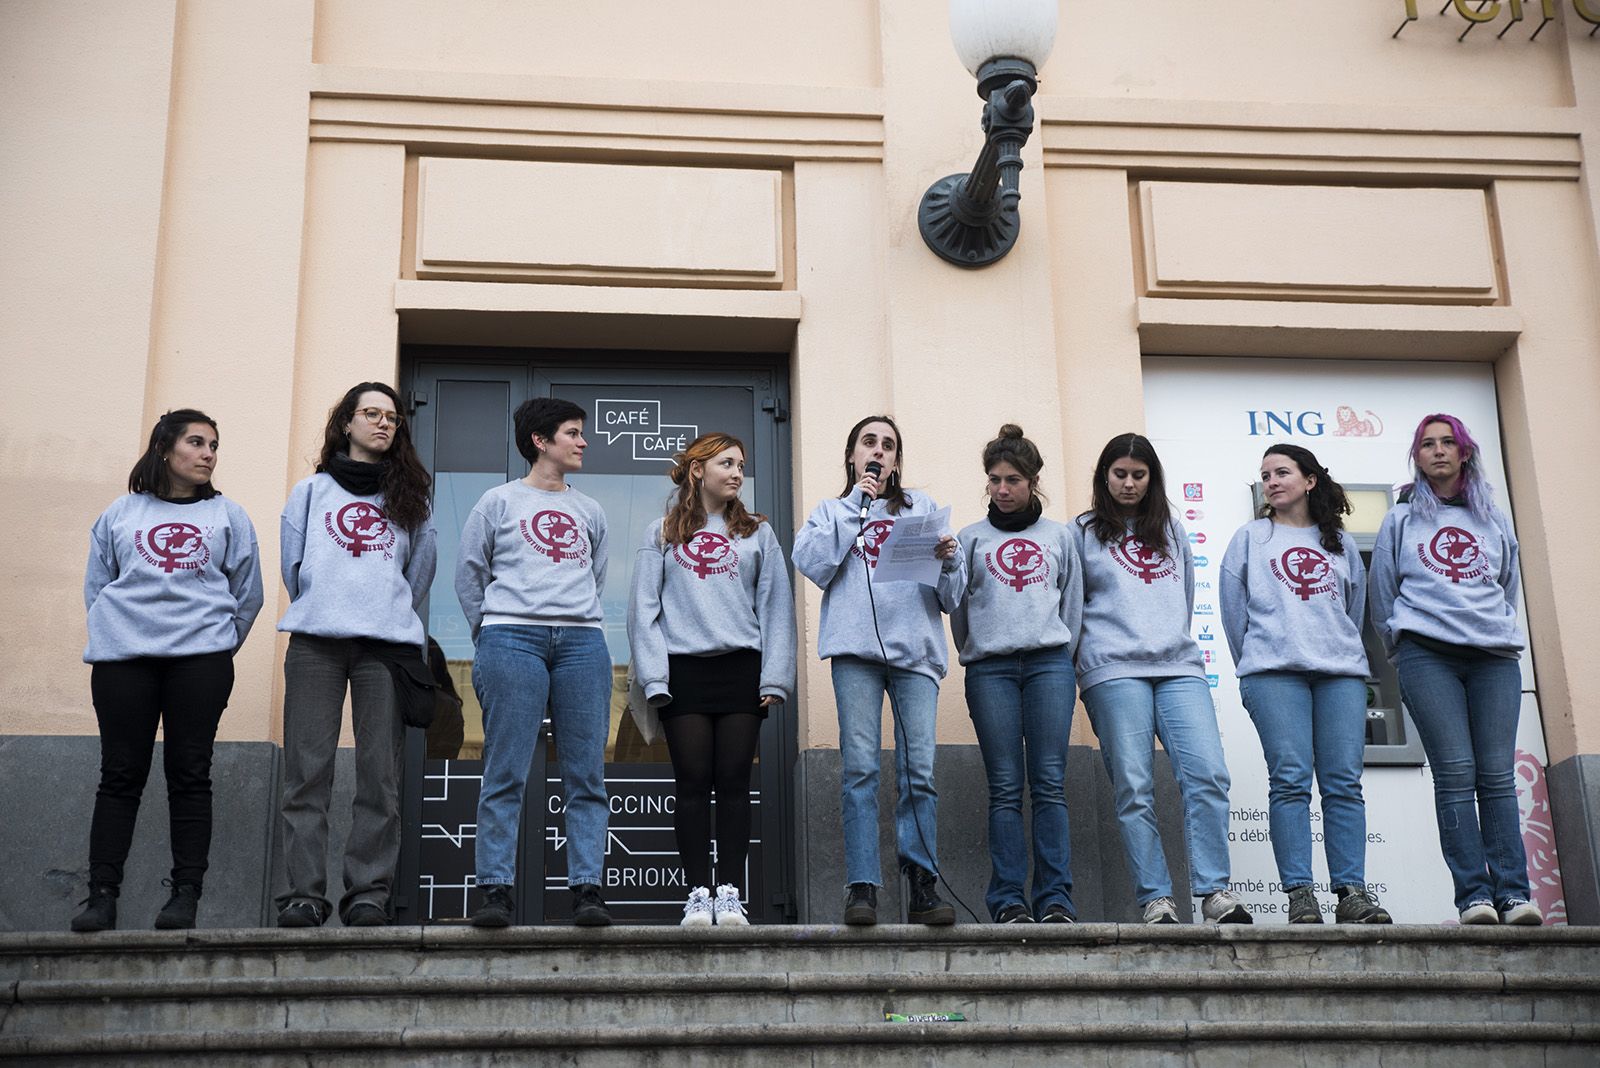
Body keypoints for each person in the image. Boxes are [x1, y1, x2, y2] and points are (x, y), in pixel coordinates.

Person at [72, 410, 264, 932]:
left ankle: (185, 896)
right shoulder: (121, 513)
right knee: (119, 775)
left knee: (189, 774)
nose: (208, 454)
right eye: (196, 442)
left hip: (199, 662)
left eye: (214, 445)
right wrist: (118, 634)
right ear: (164, 449)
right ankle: (101, 897)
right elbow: (99, 588)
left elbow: (248, 594)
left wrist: (218, 647)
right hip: (124, 662)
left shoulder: (229, 516)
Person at [793, 415, 966, 926]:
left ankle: (922, 884)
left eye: (888, 446)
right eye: (869, 443)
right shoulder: (832, 511)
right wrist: (856, 509)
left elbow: (951, 599)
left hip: (914, 656)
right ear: (852, 456)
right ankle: (862, 885)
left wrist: (951, 561)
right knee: (860, 771)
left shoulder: (923, 509)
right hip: (856, 657)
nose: (879, 452)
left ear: (897, 459)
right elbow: (815, 565)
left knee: (919, 773)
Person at [1369, 414, 1541, 926]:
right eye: (1428, 444)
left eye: (1448, 443)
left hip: (1493, 657)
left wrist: (1492, 631)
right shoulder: (1400, 520)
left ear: (1465, 452)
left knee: (1495, 776)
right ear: (1416, 457)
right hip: (1427, 655)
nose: (1439, 451)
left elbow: (1506, 585)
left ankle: (1514, 894)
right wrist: (1402, 648)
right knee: (1455, 775)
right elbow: (1382, 595)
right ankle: (1474, 897)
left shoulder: (1493, 517)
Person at [276, 382, 436, 928]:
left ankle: (368, 892)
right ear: (346, 423)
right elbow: (295, 570)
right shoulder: (310, 492)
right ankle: (303, 894)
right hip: (317, 643)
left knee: (379, 775)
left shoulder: (411, 497)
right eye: (371, 413)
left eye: (392, 417)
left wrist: (379, 612)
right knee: (306, 772)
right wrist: (333, 605)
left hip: (384, 649)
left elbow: (418, 575)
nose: (383, 424)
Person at [1072, 433, 1250, 925]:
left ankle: (1214, 893)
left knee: (1208, 774)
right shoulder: (1082, 532)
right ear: (1104, 477)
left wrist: (1167, 640)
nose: (1128, 484)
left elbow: (1185, 598)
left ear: (1152, 478)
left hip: (1178, 667)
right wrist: (1085, 664)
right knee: (1134, 785)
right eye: (1120, 474)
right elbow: (1072, 607)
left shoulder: (1170, 528)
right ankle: (1155, 898)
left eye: (1138, 475)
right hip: (1113, 671)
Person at [455, 396, 613, 928]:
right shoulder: (496, 502)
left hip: (582, 643)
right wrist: (493, 630)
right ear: (540, 441)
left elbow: (596, 578)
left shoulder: (590, 510)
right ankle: (495, 890)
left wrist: (567, 619)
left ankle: (587, 888)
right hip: (510, 638)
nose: (582, 441)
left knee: (586, 774)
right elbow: (469, 575)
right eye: (572, 432)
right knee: (505, 770)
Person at [628, 433, 796, 927]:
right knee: (693, 783)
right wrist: (655, 676)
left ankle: (730, 893)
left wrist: (776, 677)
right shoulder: (660, 532)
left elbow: (776, 609)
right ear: (698, 469)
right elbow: (644, 610)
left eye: (741, 465)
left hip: (741, 669)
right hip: (684, 671)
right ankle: (698, 893)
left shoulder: (757, 532)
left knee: (735, 783)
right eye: (726, 463)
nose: (737, 472)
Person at [1220, 445, 1391, 925]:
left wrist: (1336, 653)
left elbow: (1352, 613)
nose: (1272, 481)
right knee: (1291, 781)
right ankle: (1300, 896)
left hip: (1339, 675)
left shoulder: (1337, 542)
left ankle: (1352, 893)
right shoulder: (1251, 538)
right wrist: (1258, 661)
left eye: (1282, 473)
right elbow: (1235, 616)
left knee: (1343, 784)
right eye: (1265, 475)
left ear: (1310, 480)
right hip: (1273, 674)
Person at [951, 425, 1083, 924]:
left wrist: (1060, 652)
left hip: (1050, 665)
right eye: (994, 480)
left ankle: (1056, 899)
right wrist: (977, 651)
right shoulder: (969, 539)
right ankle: (1008, 901)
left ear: (1033, 481)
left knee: (1049, 783)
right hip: (990, 671)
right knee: (1005, 786)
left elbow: (1071, 605)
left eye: (1013, 480)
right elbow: (958, 610)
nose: (1002, 490)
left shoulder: (1060, 536)